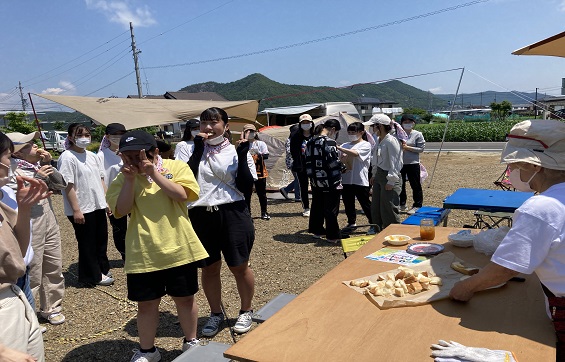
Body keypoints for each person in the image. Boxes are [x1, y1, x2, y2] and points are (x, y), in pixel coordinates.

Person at [449, 120, 565, 358]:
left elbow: (504, 270)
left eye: (518, 165)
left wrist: (465, 288)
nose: (514, 172)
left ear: (537, 166)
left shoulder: (541, 207)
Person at [106, 130, 208, 362]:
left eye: (138, 155)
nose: (133, 160)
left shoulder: (176, 167)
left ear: (153, 151)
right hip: (144, 249)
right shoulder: (122, 177)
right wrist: (131, 179)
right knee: (146, 303)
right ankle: (147, 350)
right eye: (127, 156)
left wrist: (154, 173)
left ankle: (190, 340)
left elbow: (183, 195)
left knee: (185, 298)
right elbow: (121, 211)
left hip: (180, 246)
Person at [187, 107, 256, 337]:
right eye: (204, 122)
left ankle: (246, 310)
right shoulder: (189, 149)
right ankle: (215, 313)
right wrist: (197, 150)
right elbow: (186, 181)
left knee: (239, 265)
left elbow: (246, 187)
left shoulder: (237, 152)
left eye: (214, 122)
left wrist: (245, 153)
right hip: (201, 213)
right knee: (209, 268)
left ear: (226, 126)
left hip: (232, 211)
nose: (208, 127)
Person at [8, 132, 67, 326]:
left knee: (53, 263)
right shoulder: (12, 171)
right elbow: (16, 197)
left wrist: (47, 166)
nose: (35, 146)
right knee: (33, 269)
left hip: (49, 219)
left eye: (34, 143)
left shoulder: (37, 166)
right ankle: (28, 315)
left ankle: (51, 307)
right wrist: (38, 177)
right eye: (29, 145)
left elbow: (60, 185)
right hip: (30, 224)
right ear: (17, 152)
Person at [0, 131, 48, 362]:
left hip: (15, 290)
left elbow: (18, 252)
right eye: (9, 157)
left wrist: (24, 207)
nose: (12, 164)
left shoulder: (2, 199)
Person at [58, 123, 113, 286]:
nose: (84, 138)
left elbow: (100, 179)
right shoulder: (67, 157)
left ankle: (102, 269)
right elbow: (67, 185)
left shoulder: (92, 155)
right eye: (79, 135)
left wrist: (106, 201)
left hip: (97, 205)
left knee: (101, 240)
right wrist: (76, 210)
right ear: (70, 138)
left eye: (87, 134)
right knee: (87, 243)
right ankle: (92, 276)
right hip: (82, 207)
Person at [304, 119, 346, 243]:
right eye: (336, 132)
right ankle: (332, 235)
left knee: (317, 205)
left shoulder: (310, 141)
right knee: (331, 208)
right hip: (330, 180)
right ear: (333, 129)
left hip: (315, 180)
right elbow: (332, 161)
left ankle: (317, 230)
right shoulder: (329, 142)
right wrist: (343, 166)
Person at [365, 114, 403, 235]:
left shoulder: (391, 141)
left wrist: (391, 180)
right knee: (376, 206)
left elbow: (396, 162)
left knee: (389, 207)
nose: (371, 129)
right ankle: (378, 230)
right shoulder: (379, 140)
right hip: (379, 175)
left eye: (373, 126)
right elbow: (375, 159)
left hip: (389, 176)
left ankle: (393, 233)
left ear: (379, 126)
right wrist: (374, 174)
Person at [97, 123, 127, 261]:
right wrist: (106, 200)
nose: (118, 137)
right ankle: (125, 255)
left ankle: (138, 253)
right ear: (107, 137)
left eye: (121, 134)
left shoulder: (127, 151)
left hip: (132, 194)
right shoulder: (101, 155)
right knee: (120, 229)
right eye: (115, 135)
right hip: (114, 197)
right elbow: (101, 178)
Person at [336, 122, 373, 231]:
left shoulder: (366, 144)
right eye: (349, 132)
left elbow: (356, 153)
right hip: (346, 179)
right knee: (348, 203)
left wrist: (340, 149)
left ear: (361, 132)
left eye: (354, 132)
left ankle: (373, 223)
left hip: (360, 179)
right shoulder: (345, 145)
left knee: (365, 203)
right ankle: (351, 222)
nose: (351, 134)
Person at [242, 124, 271, 220]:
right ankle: (247, 213)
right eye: (247, 131)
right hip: (247, 172)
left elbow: (266, 155)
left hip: (260, 171)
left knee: (261, 193)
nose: (250, 133)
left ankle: (264, 212)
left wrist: (257, 154)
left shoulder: (260, 143)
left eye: (252, 131)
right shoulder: (241, 144)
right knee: (247, 194)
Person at [398, 114, 425, 215]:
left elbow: (421, 149)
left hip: (413, 163)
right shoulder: (398, 134)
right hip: (400, 163)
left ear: (414, 123)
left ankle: (417, 205)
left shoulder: (417, 134)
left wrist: (407, 148)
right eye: (405, 122)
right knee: (400, 184)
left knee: (415, 185)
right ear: (401, 124)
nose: (407, 124)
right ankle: (402, 204)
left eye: (410, 122)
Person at [289, 114, 315, 217]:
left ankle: (316, 206)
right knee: (303, 187)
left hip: (314, 165)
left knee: (315, 187)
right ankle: (306, 208)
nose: (306, 124)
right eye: (303, 123)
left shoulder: (315, 135)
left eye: (307, 122)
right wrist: (298, 163)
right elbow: (293, 151)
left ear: (311, 123)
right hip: (301, 165)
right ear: (300, 124)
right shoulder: (296, 136)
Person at [279, 125, 301, 202]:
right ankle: (297, 196)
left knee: (298, 178)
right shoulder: (290, 140)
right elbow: (289, 151)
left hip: (298, 161)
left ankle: (286, 189)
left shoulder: (297, 139)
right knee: (298, 179)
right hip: (293, 162)